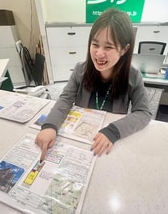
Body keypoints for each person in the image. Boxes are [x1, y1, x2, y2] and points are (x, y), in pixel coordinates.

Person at [35, 8, 152, 159]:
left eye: (108, 47)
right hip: (78, 138)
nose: (99, 54)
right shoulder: (80, 70)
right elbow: (65, 99)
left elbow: (143, 113)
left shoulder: (133, 76)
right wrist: (50, 125)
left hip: (108, 144)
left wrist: (113, 131)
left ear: (124, 49)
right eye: (95, 44)